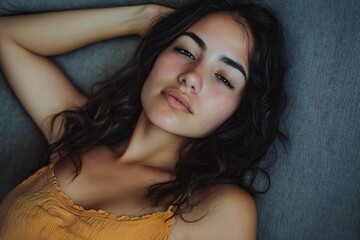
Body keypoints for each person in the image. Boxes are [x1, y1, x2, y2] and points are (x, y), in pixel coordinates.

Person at [0, 0, 286, 239]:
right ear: (156, 56)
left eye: (223, 77)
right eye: (185, 50)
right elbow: (6, 35)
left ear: (240, 111)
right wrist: (143, 17)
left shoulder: (216, 207)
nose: (191, 77)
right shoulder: (78, 134)